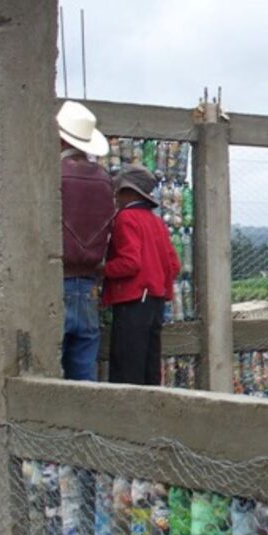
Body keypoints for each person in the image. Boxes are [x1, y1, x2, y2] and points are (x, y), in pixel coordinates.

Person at [103, 164, 180, 385]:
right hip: (155, 301)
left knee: (127, 367)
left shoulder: (125, 218)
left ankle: (127, 418)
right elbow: (173, 265)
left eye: (118, 191)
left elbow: (130, 263)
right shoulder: (156, 222)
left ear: (128, 192)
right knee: (150, 365)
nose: (115, 196)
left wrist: (102, 271)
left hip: (133, 300)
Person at [57, 100, 114, 381]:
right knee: (84, 376)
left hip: (56, 280)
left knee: (48, 374)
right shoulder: (104, 179)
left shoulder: (53, 175)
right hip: (89, 283)